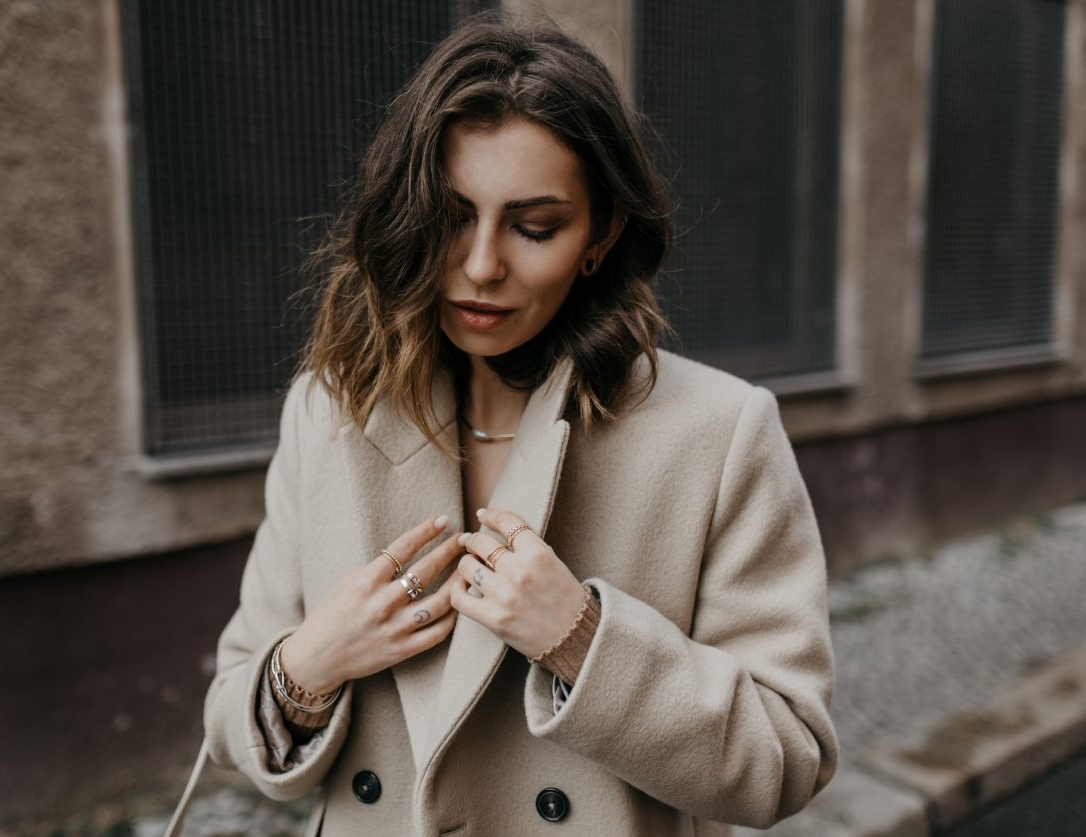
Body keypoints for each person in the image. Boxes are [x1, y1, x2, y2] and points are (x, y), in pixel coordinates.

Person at [190, 13, 838, 837]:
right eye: (450, 217)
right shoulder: (330, 413)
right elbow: (231, 717)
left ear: (600, 235)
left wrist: (583, 643)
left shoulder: (717, 432)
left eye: (534, 227)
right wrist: (311, 663)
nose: (481, 265)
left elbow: (786, 757)